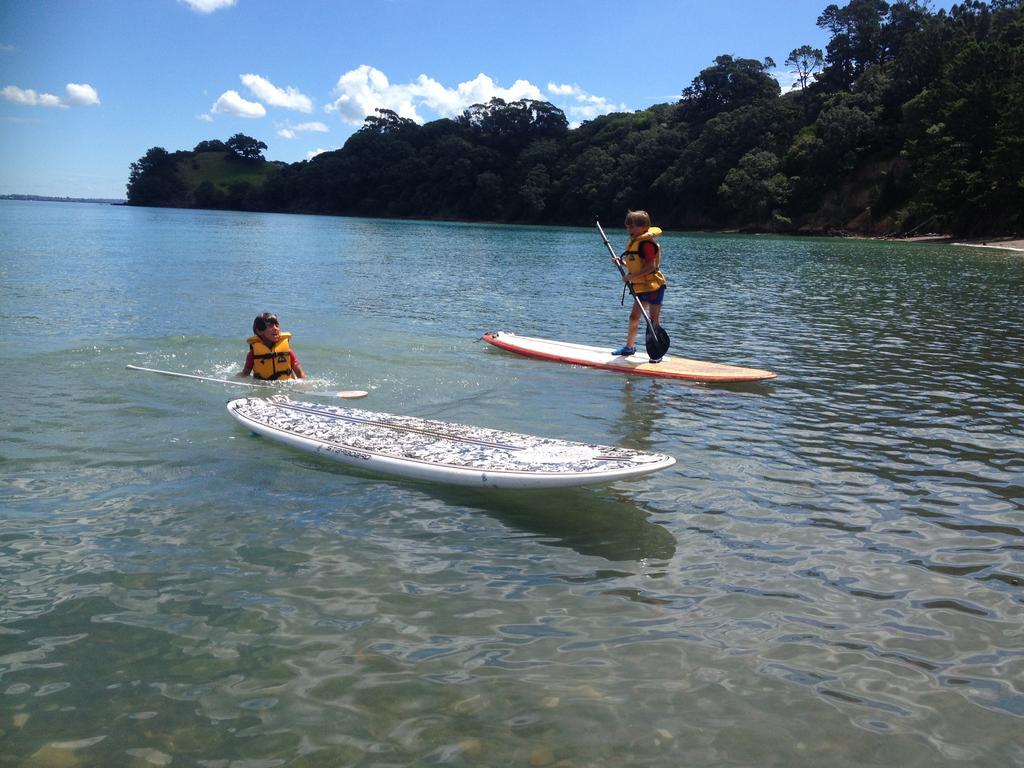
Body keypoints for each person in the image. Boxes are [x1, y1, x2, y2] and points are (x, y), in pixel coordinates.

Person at [611, 210, 666, 361]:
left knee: (653, 320)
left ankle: (657, 353)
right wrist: (621, 262)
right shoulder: (634, 244)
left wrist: (630, 277)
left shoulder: (647, 245)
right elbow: (635, 265)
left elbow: (649, 267)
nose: (629, 230)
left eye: (632, 227)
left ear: (644, 227)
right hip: (641, 287)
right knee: (634, 317)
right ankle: (629, 348)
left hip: (654, 286)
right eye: (627, 226)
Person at [238, 311, 306, 380]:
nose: (275, 328)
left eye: (277, 325)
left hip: (286, 386)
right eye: (270, 326)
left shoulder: (287, 352)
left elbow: (300, 373)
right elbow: (245, 374)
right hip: (263, 387)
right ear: (259, 331)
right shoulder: (253, 354)